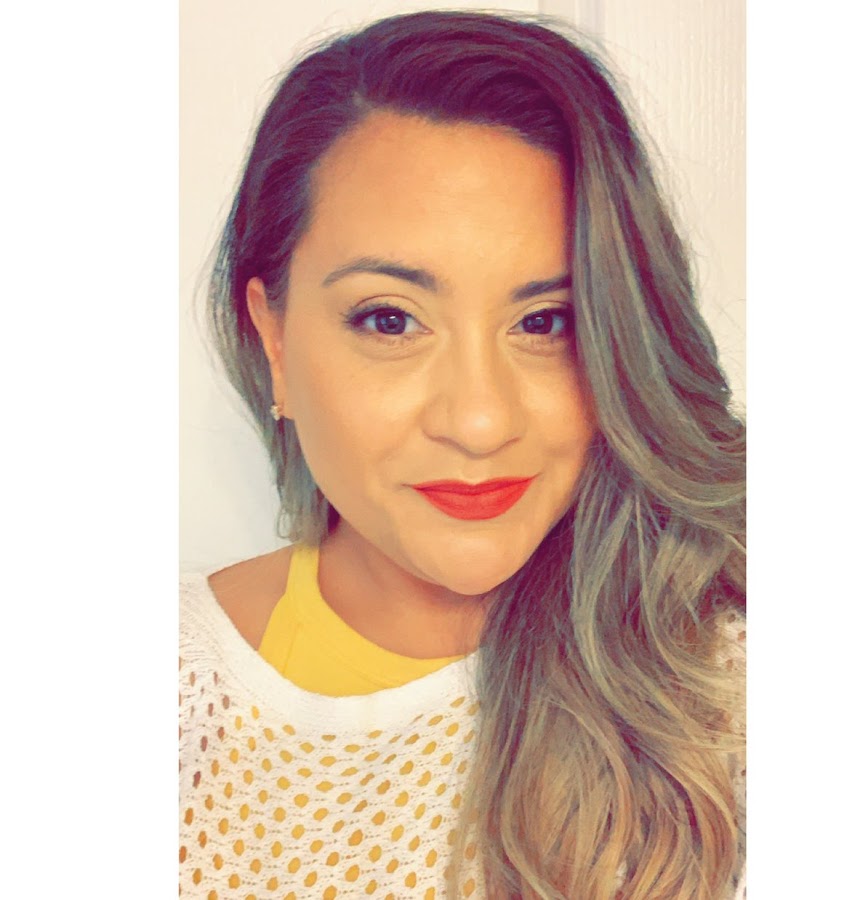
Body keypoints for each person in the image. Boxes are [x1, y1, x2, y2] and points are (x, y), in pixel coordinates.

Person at [179, 10, 746, 899]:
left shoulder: (728, 687)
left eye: (546, 322)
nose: (480, 422)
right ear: (274, 340)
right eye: (389, 320)